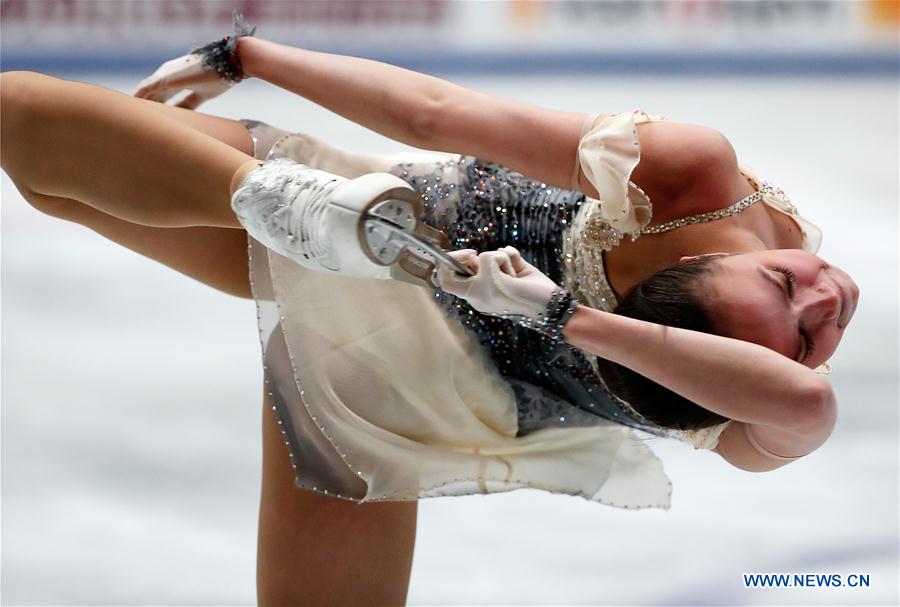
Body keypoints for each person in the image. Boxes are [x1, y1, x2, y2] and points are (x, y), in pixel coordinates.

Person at [0, 17, 857, 604]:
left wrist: (558, 314)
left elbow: (808, 401)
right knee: (33, 143)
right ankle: (287, 204)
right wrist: (247, 56)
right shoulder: (690, 179)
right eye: (784, 282)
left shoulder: (765, 414)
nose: (828, 291)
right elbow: (438, 113)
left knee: (38, 143)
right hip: (396, 214)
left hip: (407, 379)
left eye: (807, 330)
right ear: (705, 251)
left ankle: (301, 210)